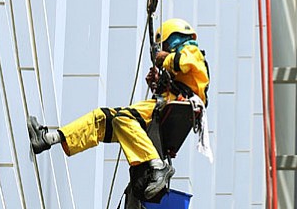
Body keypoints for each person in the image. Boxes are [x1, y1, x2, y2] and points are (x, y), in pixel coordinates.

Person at [28, 18, 209, 199]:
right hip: (163, 107)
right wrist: (157, 83)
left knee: (124, 118)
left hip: (179, 106)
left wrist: (163, 58)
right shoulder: (177, 72)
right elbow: (170, 83)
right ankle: (47, 139)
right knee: (103, 117)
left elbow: (180, 62)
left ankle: (157, 166)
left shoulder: (192, 51)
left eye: (166, 46)